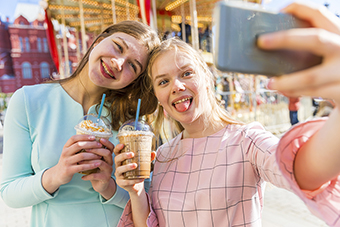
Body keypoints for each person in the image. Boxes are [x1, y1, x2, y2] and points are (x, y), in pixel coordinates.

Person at [114, 3, 340, 227]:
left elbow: (304, 171)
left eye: (187, 73)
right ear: (158, 96)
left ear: (208, 79)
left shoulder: (246, 141)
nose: (177, 86)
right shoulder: (162, 155)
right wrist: (136, 192)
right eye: (163, 81)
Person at [0, 20, 160, 227]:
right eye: (118, 47)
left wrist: (107, 187)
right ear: (98, 41)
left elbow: (145, 200)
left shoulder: (131, 124)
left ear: (134, 80)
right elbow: (9, 193)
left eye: (132, 65)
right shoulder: (28, 100)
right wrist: (56, 174)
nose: (118, 63)